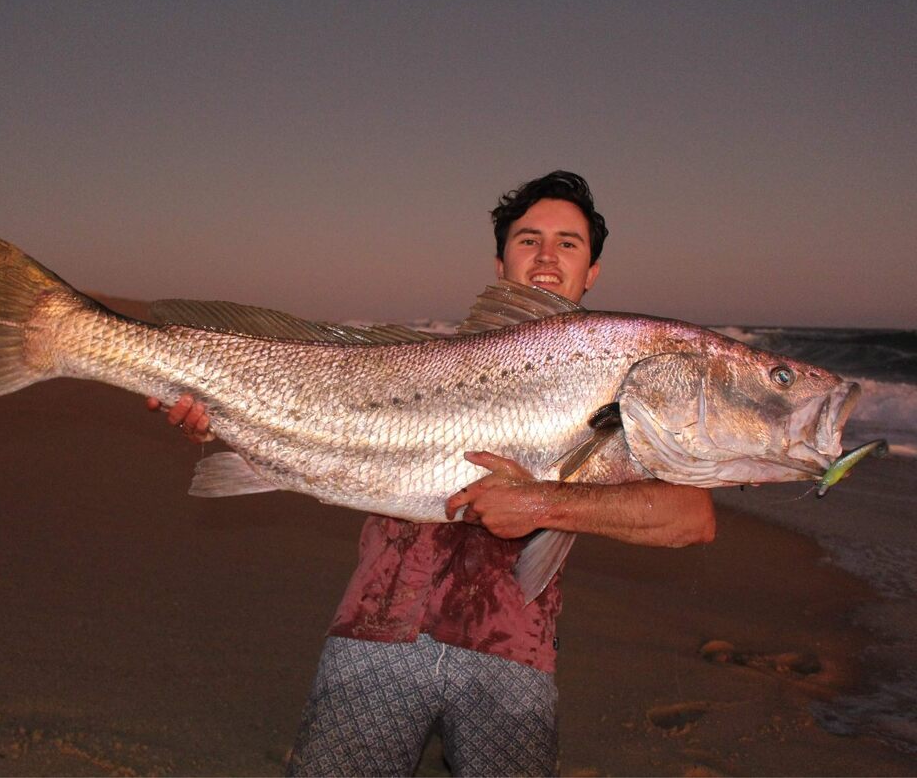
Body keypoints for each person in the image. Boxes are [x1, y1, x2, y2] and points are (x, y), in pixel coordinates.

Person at [149, 171, 716, 776]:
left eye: (568, 243)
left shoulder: (622, 384)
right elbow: (305, 414)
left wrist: (542, 505)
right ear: (500, 263)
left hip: (511, 656)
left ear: (591, 273)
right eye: (528, 240)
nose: (547, 256)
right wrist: (228, 420)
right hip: (374, 633)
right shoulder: (422, 361)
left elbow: (692, 518)